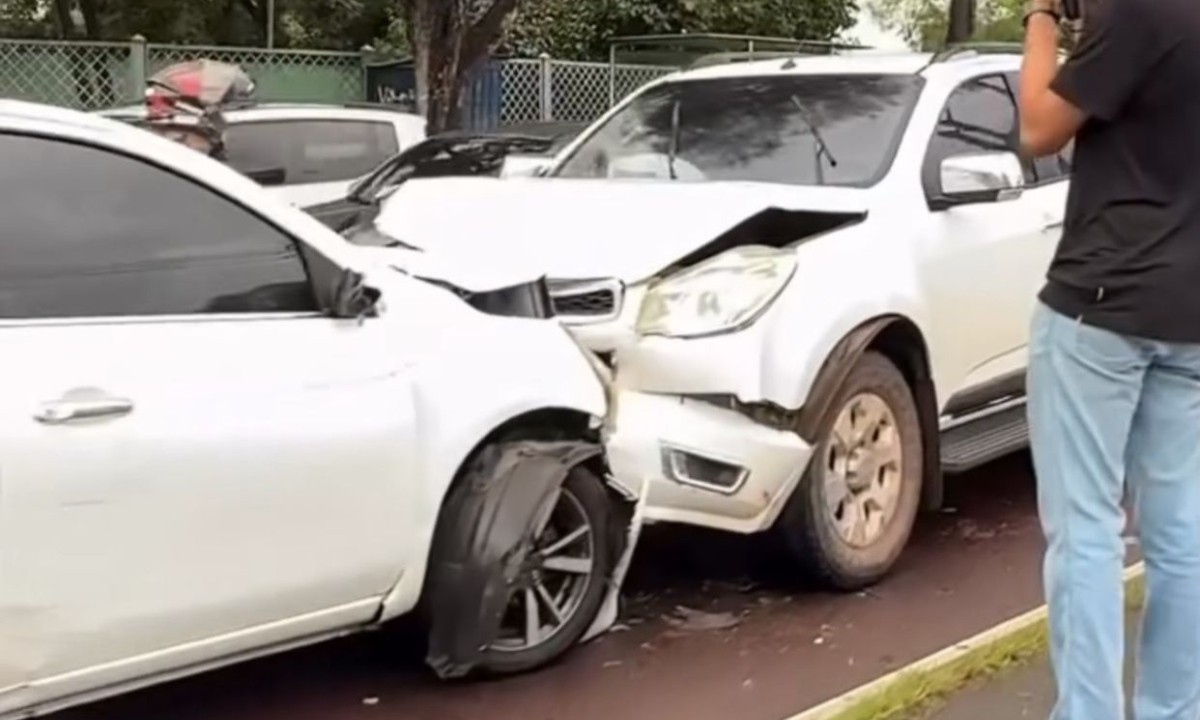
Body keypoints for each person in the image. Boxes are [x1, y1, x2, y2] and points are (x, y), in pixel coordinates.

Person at [1018, 0, 1200, 717]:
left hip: (1101, 306)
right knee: (1181, 530)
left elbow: (1038, 127)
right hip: (1190, 316)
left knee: (1086, 531)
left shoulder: (1142, 12)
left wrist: (1039, 18)